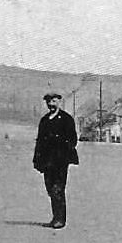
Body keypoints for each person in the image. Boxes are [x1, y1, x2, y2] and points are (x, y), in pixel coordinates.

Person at [33, 92, 78, 229]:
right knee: (50, 189)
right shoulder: (44, 120)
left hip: (60, 160)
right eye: (48, 102)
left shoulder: (66, 119)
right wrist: (37, 159)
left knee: (58, 188)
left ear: (59, 101)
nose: (51, 104)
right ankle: (55, 217)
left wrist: (62, 150)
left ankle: (60, 219)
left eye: (53, 101)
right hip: (47, 161)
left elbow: (73, 140)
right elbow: (39, 141)